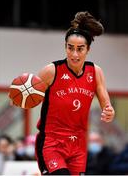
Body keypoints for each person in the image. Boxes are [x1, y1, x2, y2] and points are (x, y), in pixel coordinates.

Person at [34, 11, 115, 175]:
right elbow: (29, 95)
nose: (74, 54)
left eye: (80, 49)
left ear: (88, 50)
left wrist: (109, 112)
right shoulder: (51, 71)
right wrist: (21, 96)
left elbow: (107, 106)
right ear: (65, 47)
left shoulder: (95, 71)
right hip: (52, 143)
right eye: (70, 48)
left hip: (78, 144)